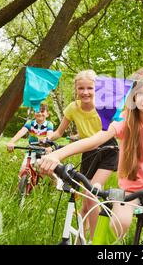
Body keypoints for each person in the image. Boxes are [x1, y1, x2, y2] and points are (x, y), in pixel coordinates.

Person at [40, 67, 143, 245]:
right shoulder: (125, 119)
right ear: (132, 97)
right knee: (118, 226)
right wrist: (57, 155)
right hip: (127, 191)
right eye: (140, 93)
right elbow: (95, 140)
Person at [44, 69, 119, 242]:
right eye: (81, 88)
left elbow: (120, 125)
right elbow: (58, 132)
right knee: (86, 201)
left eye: (90, 88)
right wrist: (47, 139)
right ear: (76, 89)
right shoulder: (72, 108)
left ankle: (94, 240)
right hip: (87, 152)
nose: (85, 92)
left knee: (92, 192)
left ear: (97, 89)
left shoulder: (105, 105)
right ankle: (81, 236)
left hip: (108, 150)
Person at [7, 103, 54, 174]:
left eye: (42, 111)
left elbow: (50, 135)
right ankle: (23, 183)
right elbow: (21, 132)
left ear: (47, 114)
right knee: (23, 170)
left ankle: (56, 181)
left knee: (46, 171)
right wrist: (11, 142)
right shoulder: (30, 123)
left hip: (44, 149)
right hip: (31, 149)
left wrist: (45, 140)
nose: (40, 113)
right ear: (34, 113)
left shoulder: (49, 124)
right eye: (37, 111)